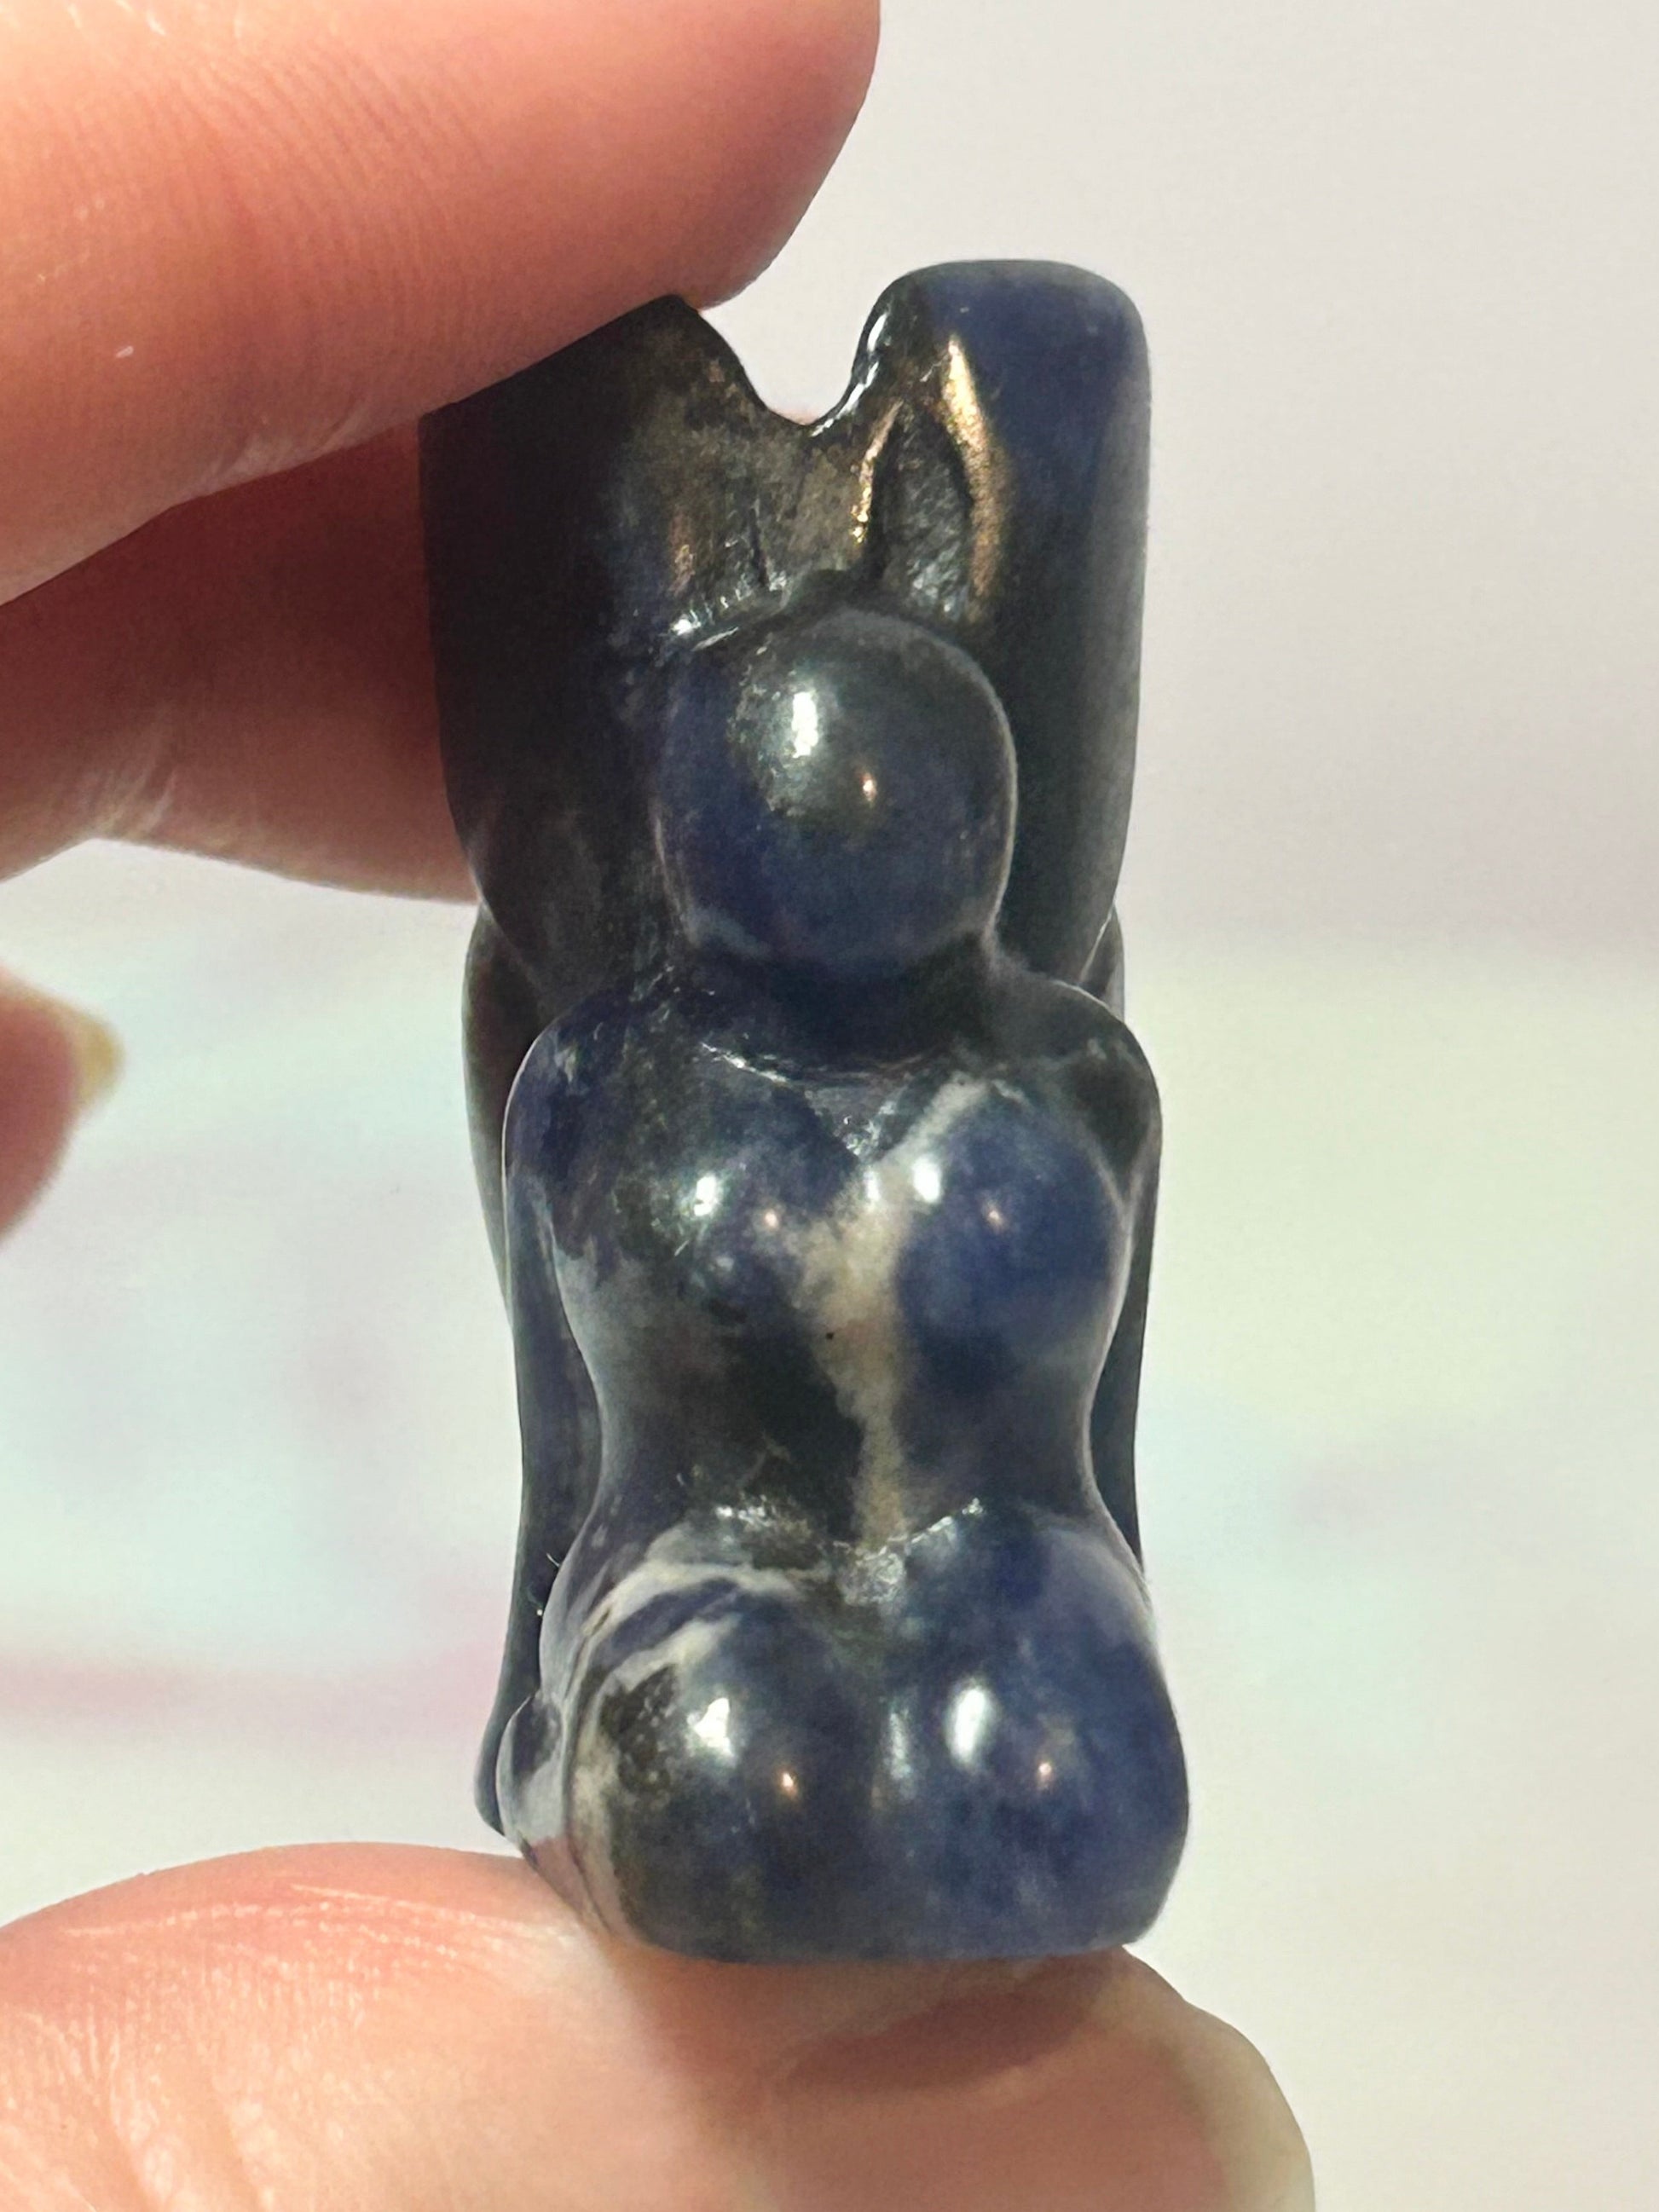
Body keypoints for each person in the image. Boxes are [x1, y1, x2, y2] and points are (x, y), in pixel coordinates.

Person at [0, 3, 1312, 2203]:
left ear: (988, 831)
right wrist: (540, 1691)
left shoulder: (1065, 1074)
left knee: (1072, 1777)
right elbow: (569, 1442)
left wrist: (1102, 1589)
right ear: (694, 843)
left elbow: (1104, 1433)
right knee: (721, 1784)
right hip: (705, 1579)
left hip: (1011, 1557)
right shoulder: (608, 1089)